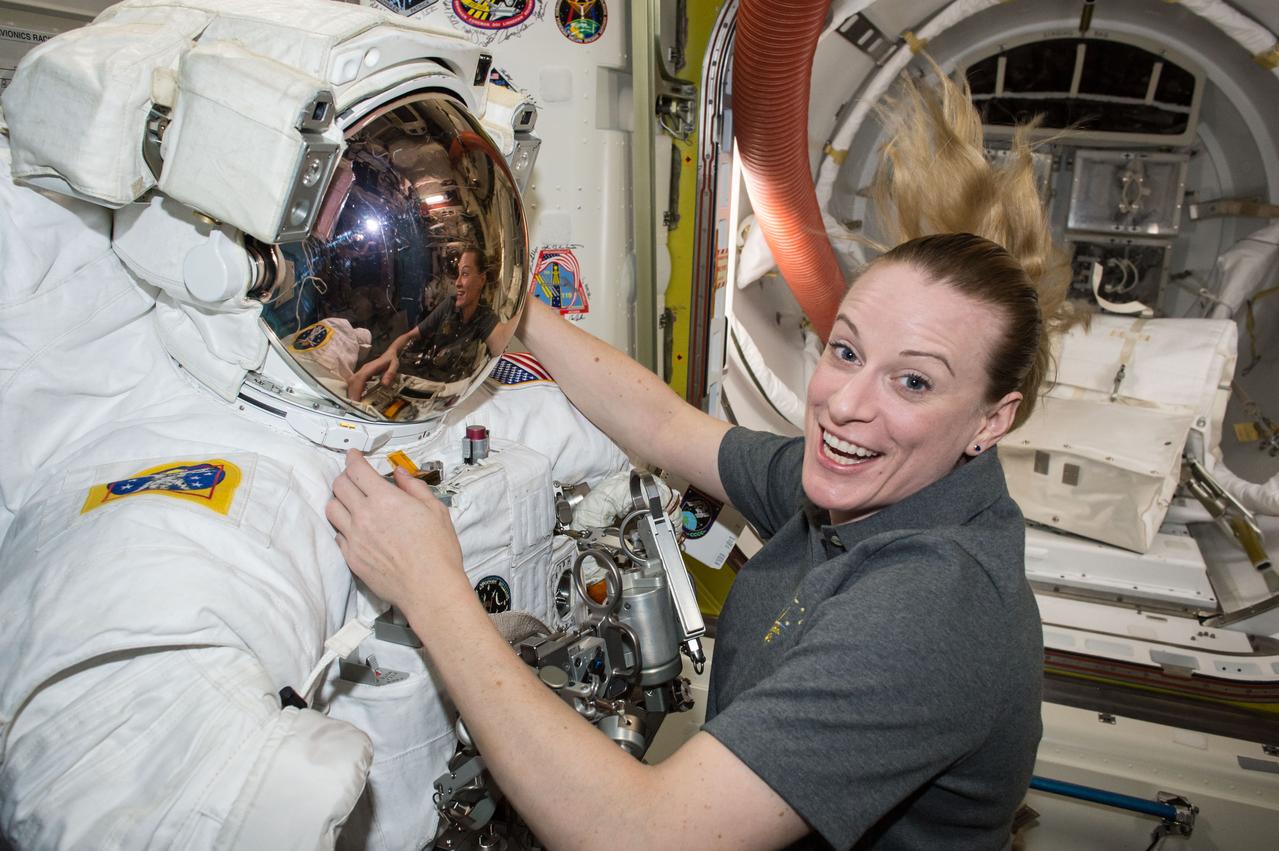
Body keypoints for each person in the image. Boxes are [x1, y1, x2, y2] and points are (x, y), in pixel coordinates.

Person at [328, 69, 1071, 850]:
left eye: (913, 381)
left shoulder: (930, 609)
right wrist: (511, 311)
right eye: (845, 351)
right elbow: (666, 426)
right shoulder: (873, 485)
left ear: (990, 420)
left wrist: (431, 588)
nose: (845, 404)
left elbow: (641, 836)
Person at [347, 247, 503, 395]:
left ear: (482, 279)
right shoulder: (450, 305)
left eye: (466, 274)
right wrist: (390, 353)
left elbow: (500, 342)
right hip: (425, 375)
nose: (457, 283)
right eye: (458, 274)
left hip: (452, 388)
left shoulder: (487, 319)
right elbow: (410, 335)